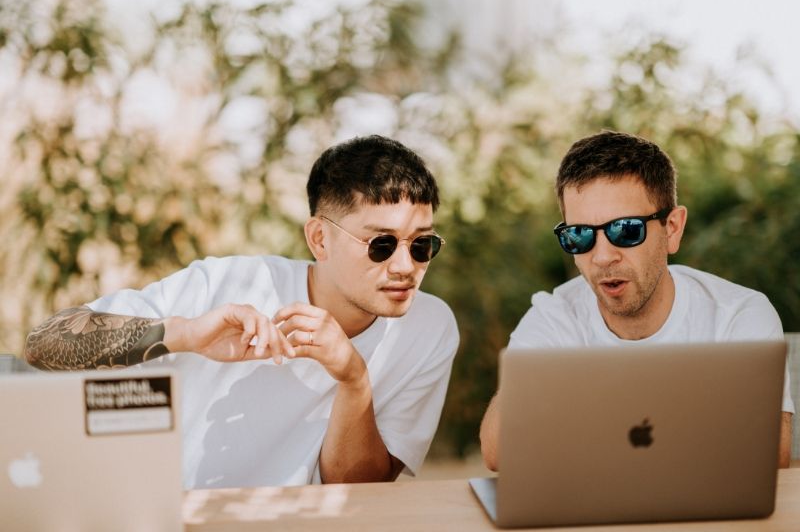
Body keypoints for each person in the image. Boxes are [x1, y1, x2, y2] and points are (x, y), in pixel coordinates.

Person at [25, 134, 459, 489]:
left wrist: (354, 379)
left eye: (422, 245)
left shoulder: (429, 328)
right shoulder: (228, 283)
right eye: (381, 245)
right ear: (319, 240)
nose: (405, 267)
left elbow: (357, 491)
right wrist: (184, 334)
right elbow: (44, 345)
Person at [479, 129, 794, 470]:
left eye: (625, 230)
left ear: (672, 229)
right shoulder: (556, 315)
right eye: (580, 235)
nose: (602, 257)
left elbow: (769, 451)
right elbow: (499, 450)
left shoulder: (737, 314)